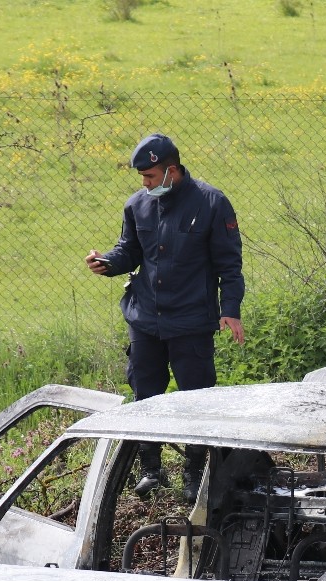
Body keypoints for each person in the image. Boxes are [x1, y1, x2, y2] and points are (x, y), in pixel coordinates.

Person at [86, 133, 245, 500]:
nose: (145, 184)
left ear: (172, 170)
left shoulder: (212, 203)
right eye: (142, 178)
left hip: (191, 320)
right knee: (146, 393)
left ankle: (195, 474)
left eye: (151, 177)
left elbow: (229, 265)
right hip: (145, 318)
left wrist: (231, 310)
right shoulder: (137, 205)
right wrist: (107, 263)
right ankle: (151, 471)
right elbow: (130, 251)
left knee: (196, 398)